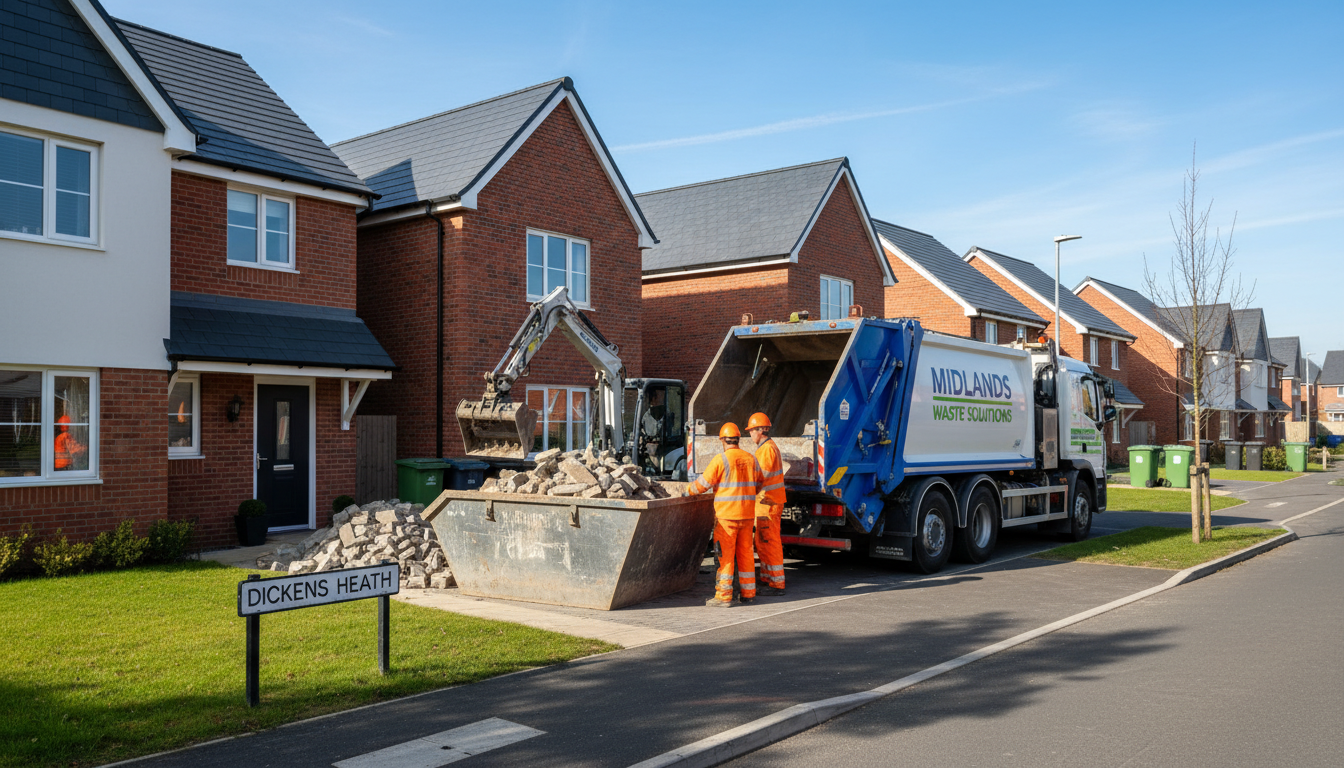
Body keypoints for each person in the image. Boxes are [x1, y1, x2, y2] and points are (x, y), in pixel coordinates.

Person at [685, 422, 764, 606]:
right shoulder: (751, 458)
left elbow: (702, 485)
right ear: (738, 439)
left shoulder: (721, 460)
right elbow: (759, 483)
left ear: (722, 440)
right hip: (746, 516)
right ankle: (749, 594)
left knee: (725, 556)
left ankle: (723, 596)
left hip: (726, 518)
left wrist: (687, 490)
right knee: (745, 555)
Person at [747, 412, 786, 595]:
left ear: (761, 430)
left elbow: (760, 476)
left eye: (752, 430)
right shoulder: (764, 448)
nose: (750, 434)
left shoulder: (767, 449)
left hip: (769, 503)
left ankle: (777, 583)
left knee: (770, 542)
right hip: (765, 502)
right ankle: (767, 577)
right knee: (762, 541)